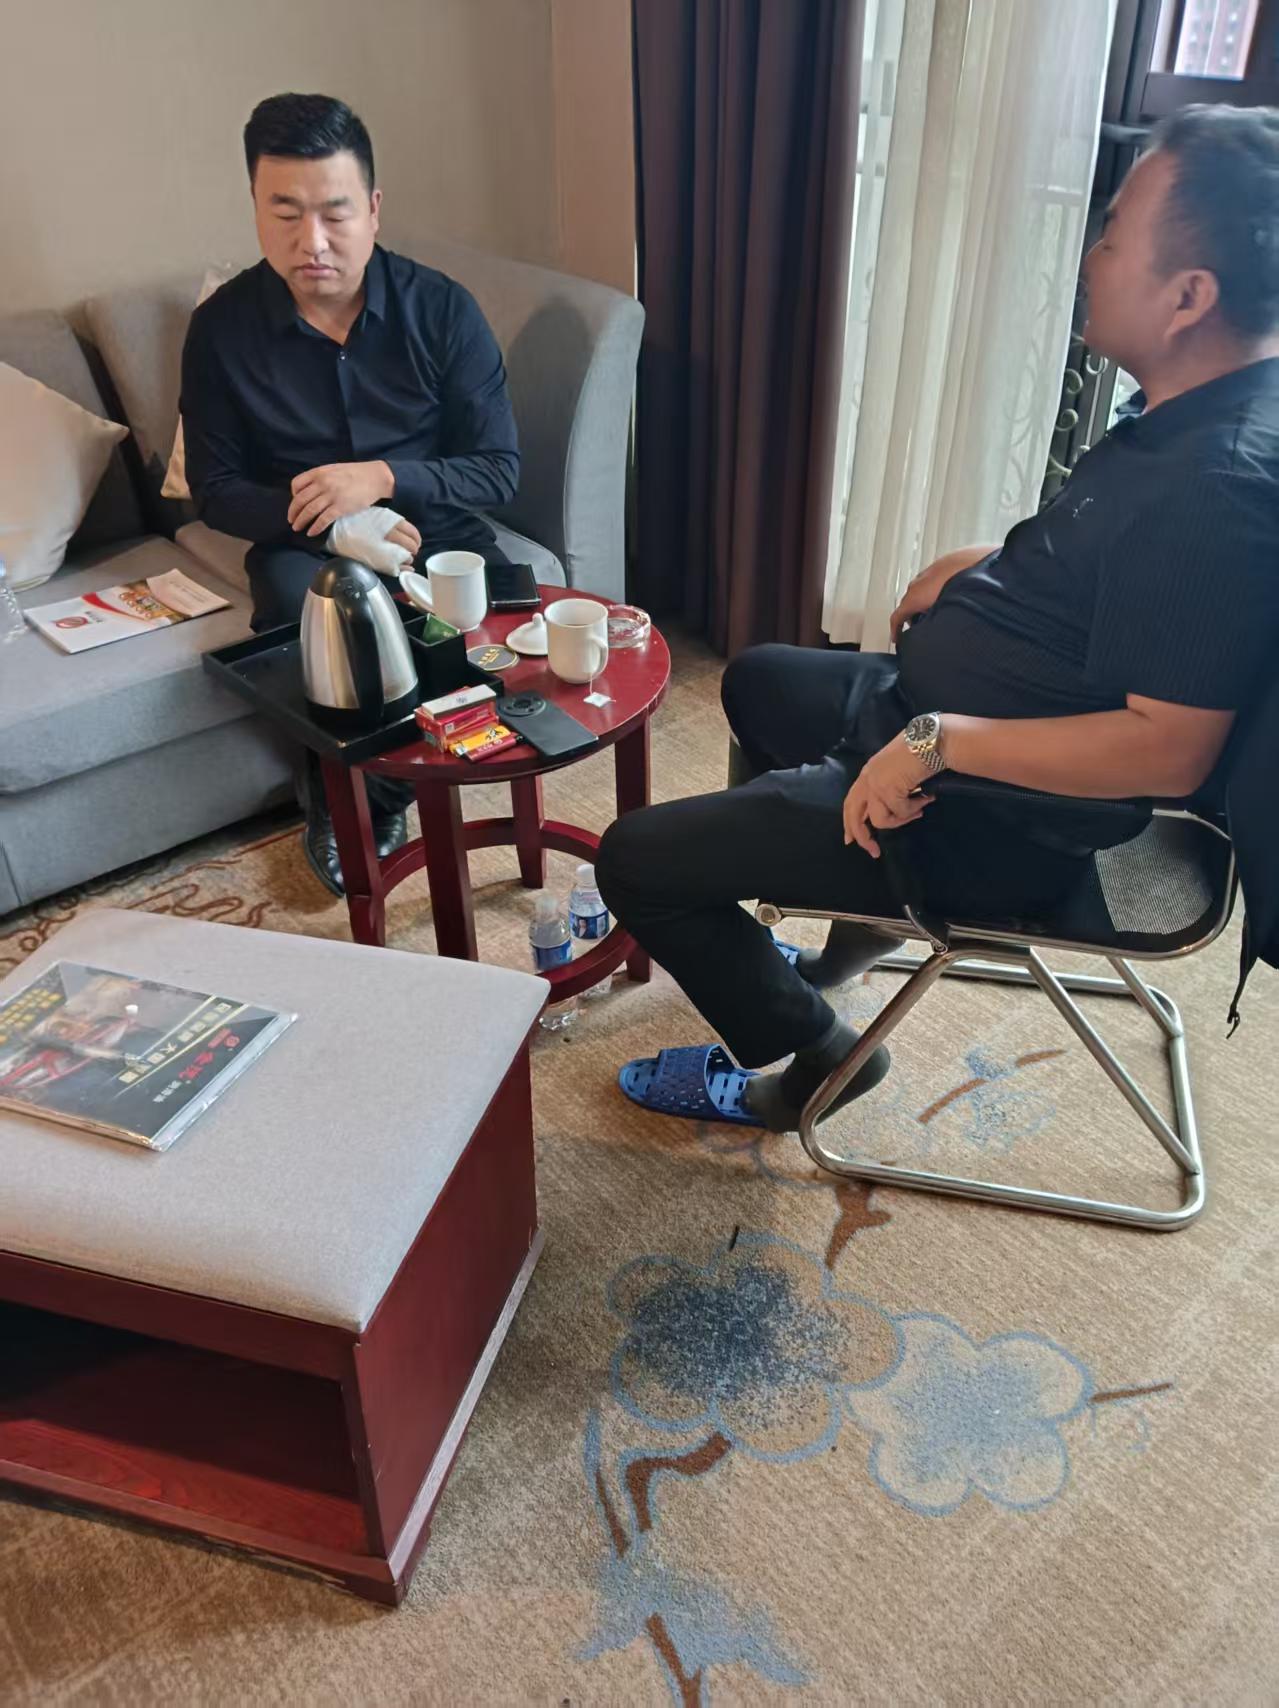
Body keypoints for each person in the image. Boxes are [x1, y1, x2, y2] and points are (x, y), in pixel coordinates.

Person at [597, 104, 1279, 1135]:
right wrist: (981, 565)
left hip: (989, 815)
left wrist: (934, 741)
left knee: (635, 861)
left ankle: (822, 1056)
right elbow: (1103, 574)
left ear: (1188, 296)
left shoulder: (1215, 489)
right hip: (942, 727)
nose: (1088, 259)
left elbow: (1168, 750)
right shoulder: (1192, 410)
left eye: (1111, 236)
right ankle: (850, 931)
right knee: (755, 677)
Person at [180, 93, 520, 894]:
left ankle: (395, 777)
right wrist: (336, 526)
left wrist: (383, 478)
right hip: (304, 541)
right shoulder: (222, 330)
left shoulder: (440, 309)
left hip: (432, 523)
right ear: (255, 209)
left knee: (486, 629)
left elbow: (498, 468)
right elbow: (216, 491)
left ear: (372, 209)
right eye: (285, 214)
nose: (313, 242)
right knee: (313, 614)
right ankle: (345, 797)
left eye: (335, 213)